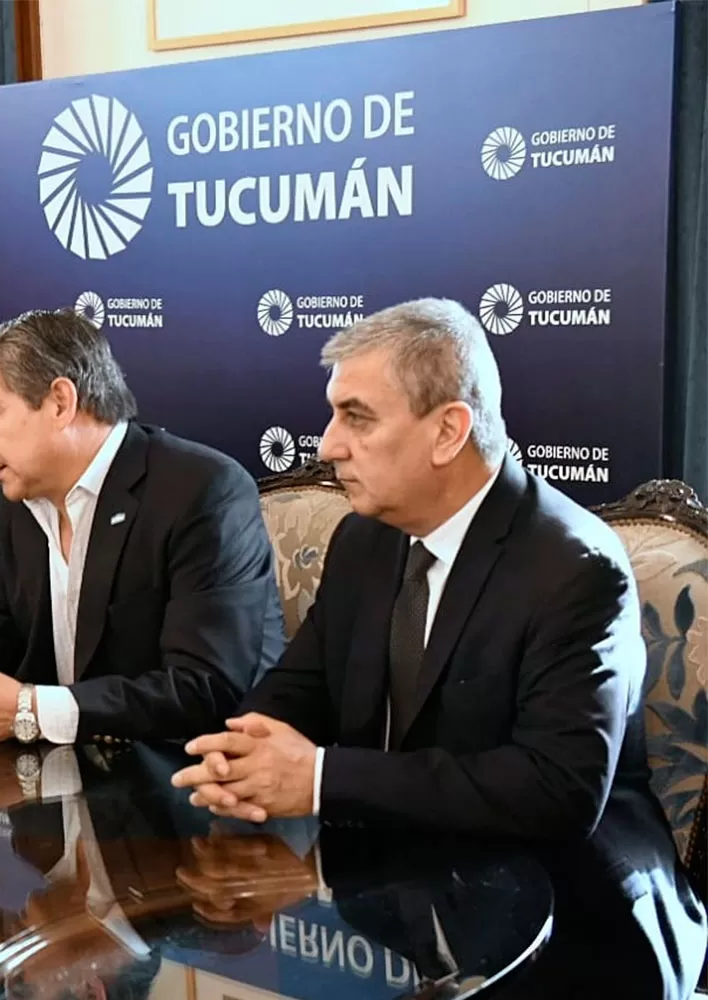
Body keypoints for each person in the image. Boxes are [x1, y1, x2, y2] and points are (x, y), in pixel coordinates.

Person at [172, 298, 704, 997]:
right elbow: (301, 687)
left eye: (356, 417)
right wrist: (242, 754)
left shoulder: (574, 565)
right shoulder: (364, 538)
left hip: (570, 913)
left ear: (448, 430)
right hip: (393, 887)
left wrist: (322, 778)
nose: (328, 444)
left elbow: (556, 791)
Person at [0, 309, 284, 745]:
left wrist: (31, 709)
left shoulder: (202, 492)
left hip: (193, 781)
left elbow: (205, 690)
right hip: (64, 778)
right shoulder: (18, 501)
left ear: (60, 402)